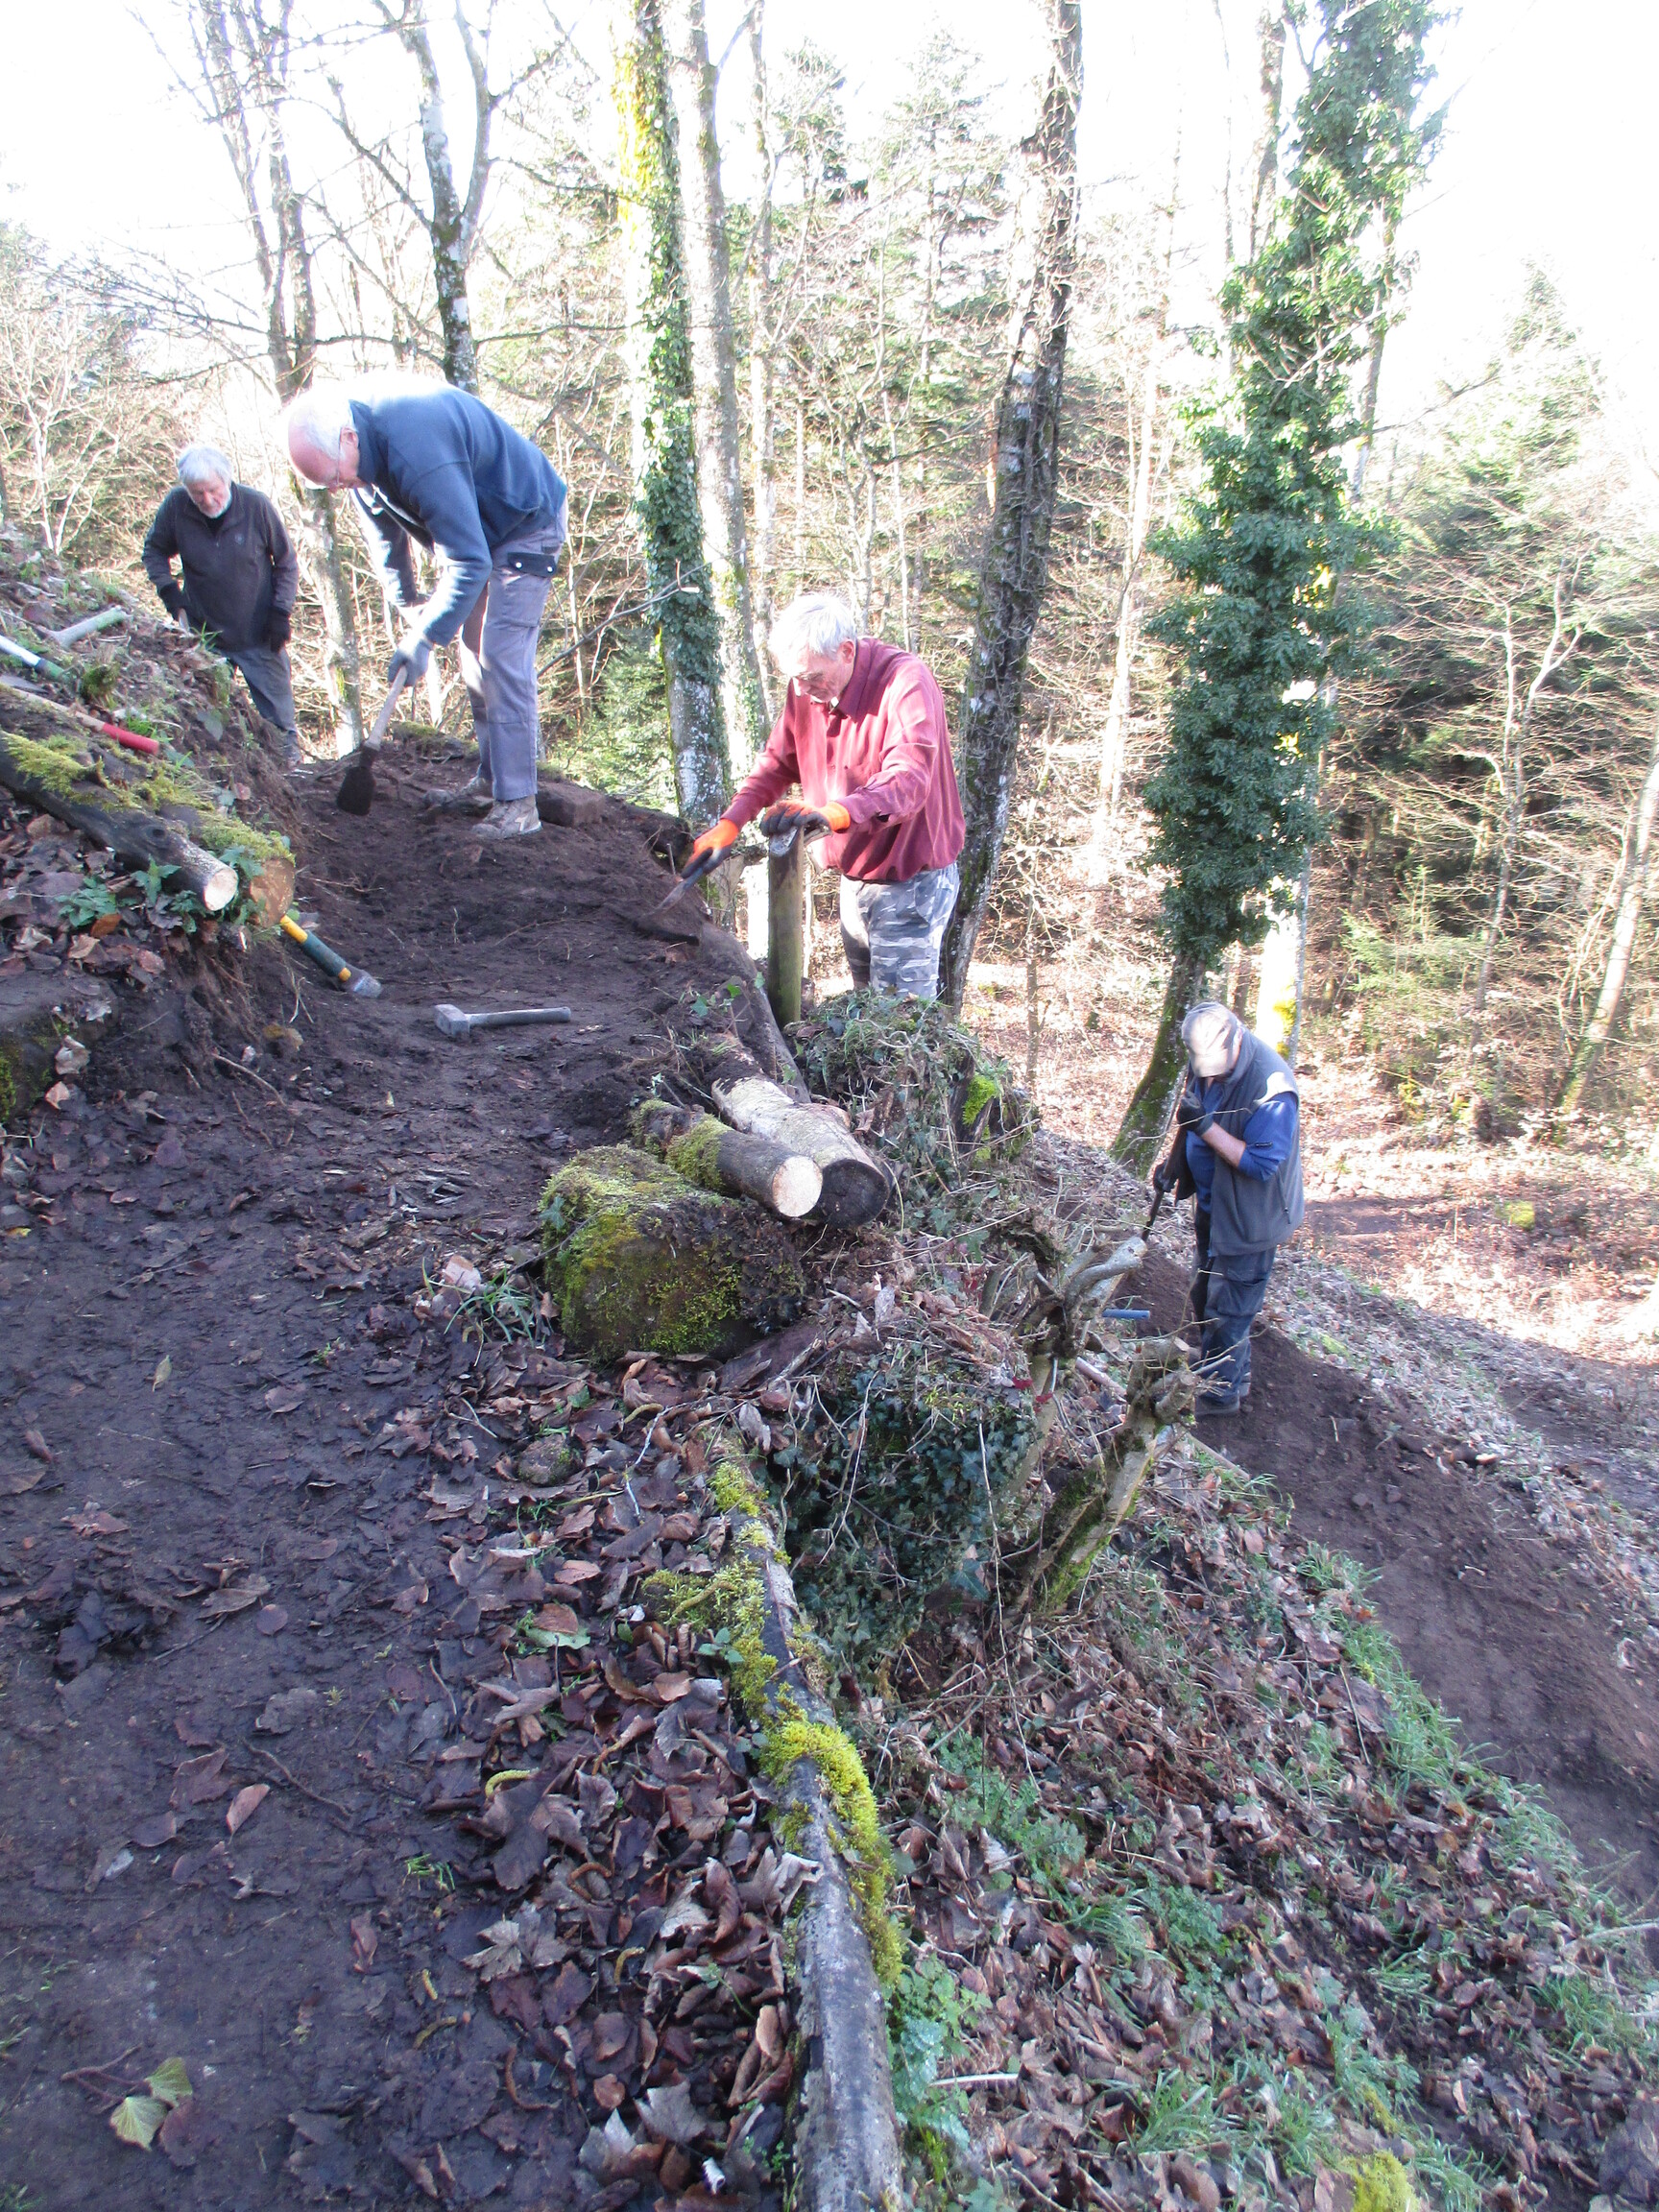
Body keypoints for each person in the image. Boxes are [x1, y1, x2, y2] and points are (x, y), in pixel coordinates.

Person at [284, 380, 568, 838]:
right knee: (472, 654)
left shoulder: (414, 447)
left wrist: (424, 639)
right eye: (326, 484)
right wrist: (410, 605)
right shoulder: (360, 462)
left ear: (348, 438)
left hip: (526, 520)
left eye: (334, 477)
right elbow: (386, 541)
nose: (335, 488)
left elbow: (469, 560)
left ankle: (519, 805)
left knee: (500, 654)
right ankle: (492, 781)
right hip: (481, 532)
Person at [682, 591, 966, 998]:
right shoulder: (808, 689)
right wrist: (731, 822)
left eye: (811, 677)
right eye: (795, 678)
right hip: (855, 879)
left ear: (846, 651)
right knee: (866, 1008)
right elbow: (777, 761)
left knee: (897, 1021)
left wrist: (836, 814)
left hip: (911, 882)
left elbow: (908, 781)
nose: (801, 689)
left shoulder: (905, 683)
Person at [1154, 1001, 1305, 1415]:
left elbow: (1260, 1165)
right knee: (1204, 1293)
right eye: (1204, 1069)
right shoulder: (1203, 1061)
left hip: (1250, 1220)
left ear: (1237, 1038)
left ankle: (1220, 1395)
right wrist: (1174, 1165)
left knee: (1230, 1308)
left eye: (1216, 1069)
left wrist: (1206, 1127)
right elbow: (1191, 1120)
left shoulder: (1272, 1090)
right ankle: (1229, 1366)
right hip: (1214, 1205)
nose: (1210, 1076)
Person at [142, 445, 301, 769]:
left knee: (281, 727)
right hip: (205, 637)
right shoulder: (177, 507)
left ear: (227, 480)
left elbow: (286, 563)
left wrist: (281, 612)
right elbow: (154, 551)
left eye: (213, 490)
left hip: (259, 635)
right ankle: (231, 773)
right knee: (213, 725)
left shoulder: (255, 507)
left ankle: (292, 775)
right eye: (197, 493)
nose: (207, 500)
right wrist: (170, 593)